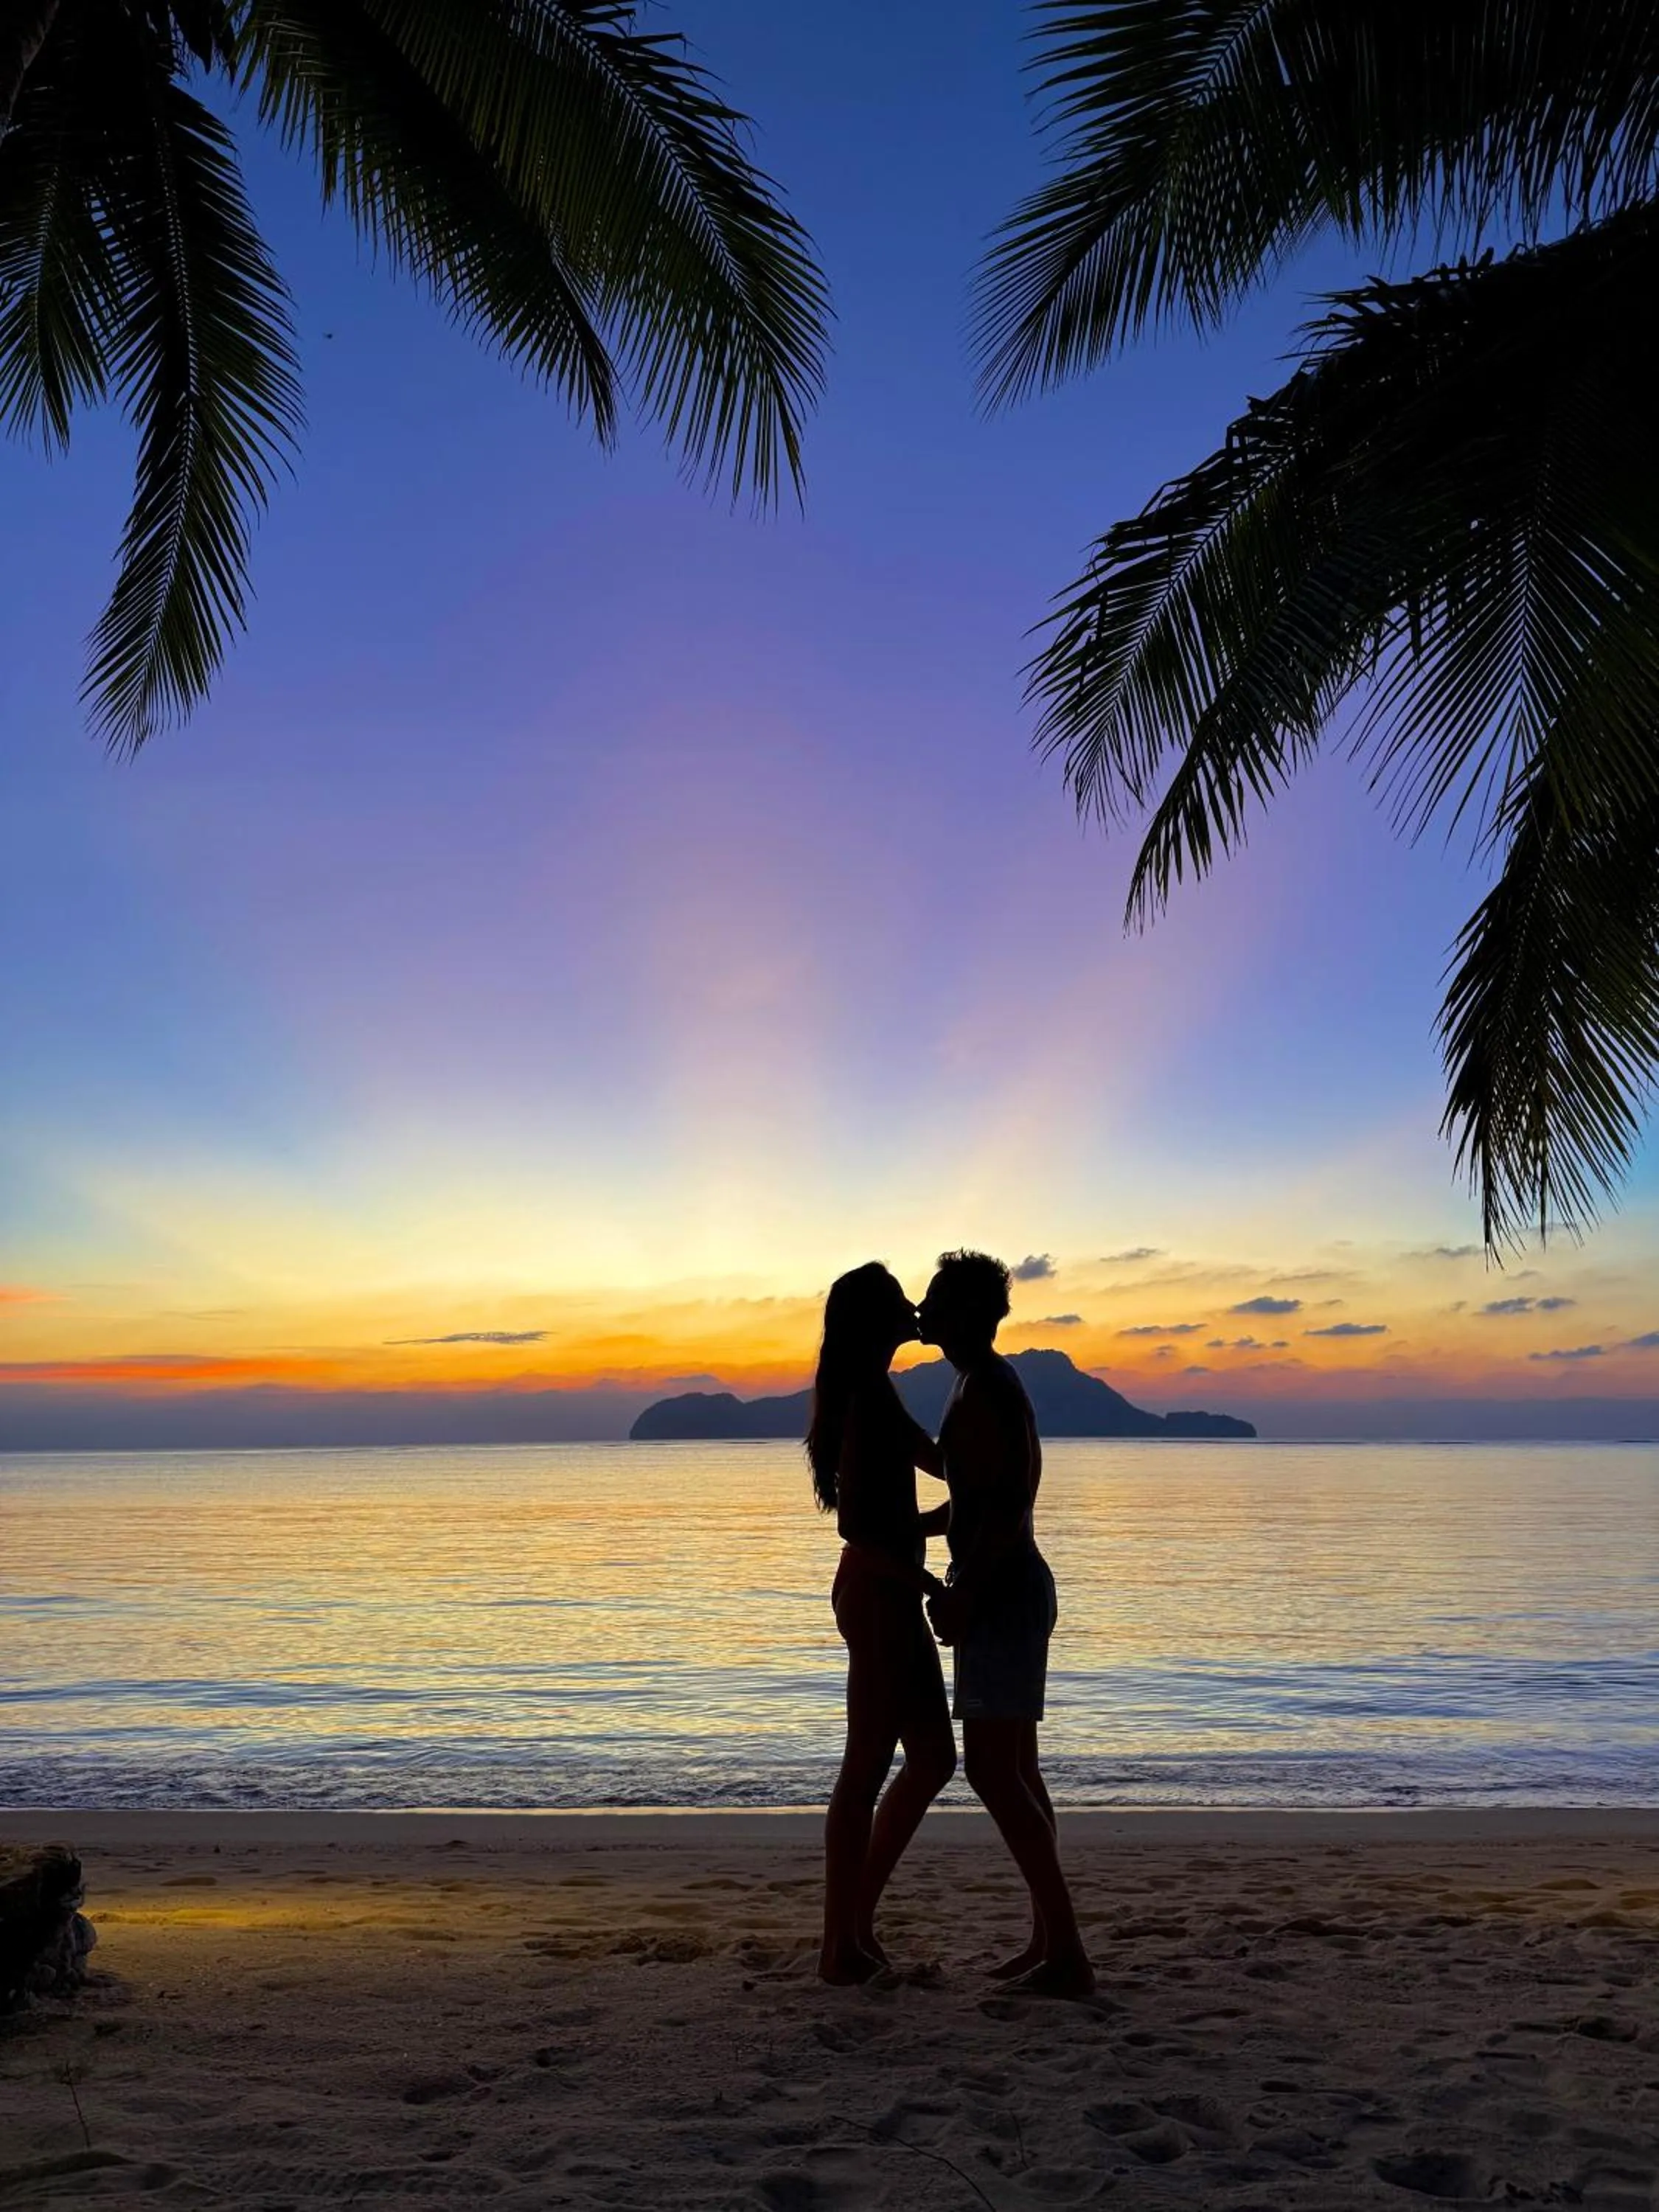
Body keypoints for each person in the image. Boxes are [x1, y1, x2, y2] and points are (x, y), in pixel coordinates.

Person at [919, 1249, 1095, 1997]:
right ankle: (1049, 1939)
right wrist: (914, 1526)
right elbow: (970, 1491)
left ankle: (1067, 1954)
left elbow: (1002, 1512)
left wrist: (965, 1595)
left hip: (1005, 1590)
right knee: (1017, 1768)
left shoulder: (986, 1387)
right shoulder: (976, 1383)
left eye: (934, 1301)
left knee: (995, 1770)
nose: (925, 1310)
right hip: (1011, 1586)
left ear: (966, 1314)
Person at [808, 1262, 956, 1983]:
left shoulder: (877, 1392)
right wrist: (929, 1579)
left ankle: (852, 1932)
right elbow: (862, 1532)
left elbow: (936, 1467)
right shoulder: (867, 1398)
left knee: (929, 1759)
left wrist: (971, 1501)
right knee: (866, 1769)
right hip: (876, 1592)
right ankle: (842, 1946)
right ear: (877, 1317)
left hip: (883, 1588)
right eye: (901, 1299)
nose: (912, 1307)